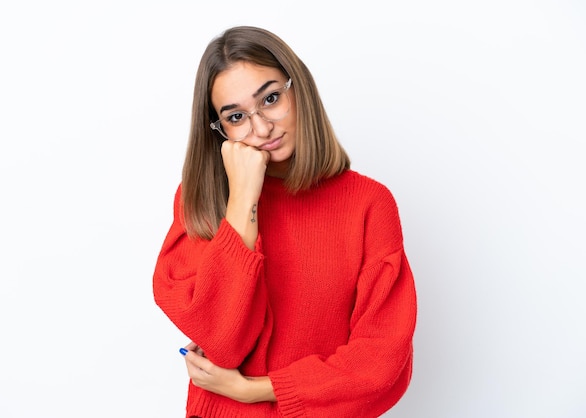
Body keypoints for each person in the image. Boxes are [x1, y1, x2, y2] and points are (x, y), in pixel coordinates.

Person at [153, 25, 417, 418]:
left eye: (271, 98)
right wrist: (242, 201)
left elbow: (380, 363)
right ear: (220, 130)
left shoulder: (368, 205)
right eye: (237, 117)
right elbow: (222, 341)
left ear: (300, 89)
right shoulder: (201, 202)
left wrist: (253, 390)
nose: (261, 129)